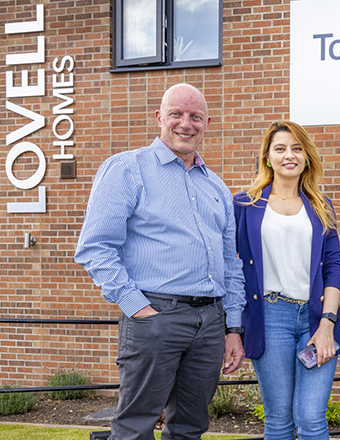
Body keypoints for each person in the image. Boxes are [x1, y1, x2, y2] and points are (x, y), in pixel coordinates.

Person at [74, 83, 246, 440]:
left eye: (195, 116)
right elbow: (96, 247)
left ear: (207, 123)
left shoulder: (216, 187)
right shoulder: (126, 169)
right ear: (159, 118)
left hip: (210, 323)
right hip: (156, 316)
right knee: (136, 425)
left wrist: (233, 328)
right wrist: (138, 308)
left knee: (190, 427)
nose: (186, 124)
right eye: (176, 114)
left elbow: (231, 264)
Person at [233, 121, 340, 440]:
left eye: (296, 148)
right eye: (280, 149)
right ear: (268, 158)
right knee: (279, 421)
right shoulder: (245, 205)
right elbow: (231, 268)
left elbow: (333, 267)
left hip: (315, 319)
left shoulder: (321, 206)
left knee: (312, 418)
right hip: (270, 318)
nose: (289, 155)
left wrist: (327, 324)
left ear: (306, 157)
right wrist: (233, 327)